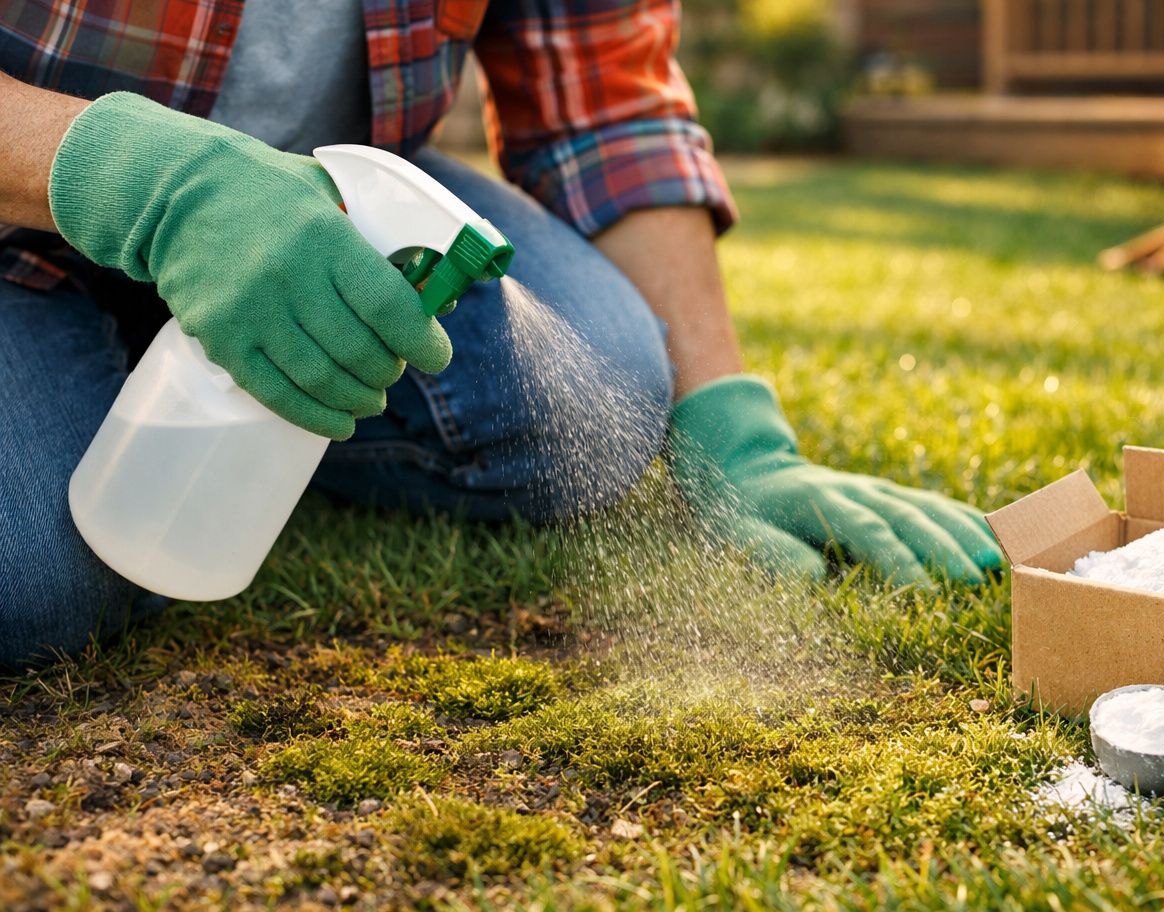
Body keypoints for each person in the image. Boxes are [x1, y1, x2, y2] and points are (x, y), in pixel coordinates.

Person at [0, 1, 1004, 668]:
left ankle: (231, 378)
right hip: (19, 228)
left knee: (601, 394)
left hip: (344, 222)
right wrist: (137, 179)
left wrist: (731, 421)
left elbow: (608, 102)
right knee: (38, 573)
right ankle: (127, 369)